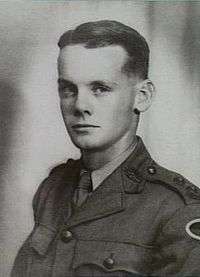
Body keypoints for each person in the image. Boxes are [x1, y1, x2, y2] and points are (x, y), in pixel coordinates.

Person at [12, 20, 200, 277]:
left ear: (142, 96)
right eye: (68, 89)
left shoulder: (177, 209)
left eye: (100, 88)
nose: (80, 105)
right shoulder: (52, 189)